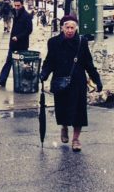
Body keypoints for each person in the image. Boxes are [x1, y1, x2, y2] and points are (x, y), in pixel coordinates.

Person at [39, 14, 102, 152]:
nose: (69, 30)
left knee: (79, 112)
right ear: (62, 28)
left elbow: (88, 64)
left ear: (76, 28)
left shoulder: (82, 42)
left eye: (72, 27)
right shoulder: (53, 42)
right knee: (62, 110)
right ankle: (64, 127)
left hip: (78, 81)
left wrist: (97, 79)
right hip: (60, 81)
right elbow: (50, 61)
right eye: (67, 27)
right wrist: (44, 73)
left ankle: (76, 139)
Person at [0, 0, 34, 87]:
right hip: (13, 44)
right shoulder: (15, 13)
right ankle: (2, 80)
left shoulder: (26, 16)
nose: (16, 7)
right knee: (8, 62)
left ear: (22, 4)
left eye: (18, 5)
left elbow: (29, 30)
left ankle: (26, 82)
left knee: (23, 64)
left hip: (22, 44)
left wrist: (18, 37)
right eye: (15, 5)